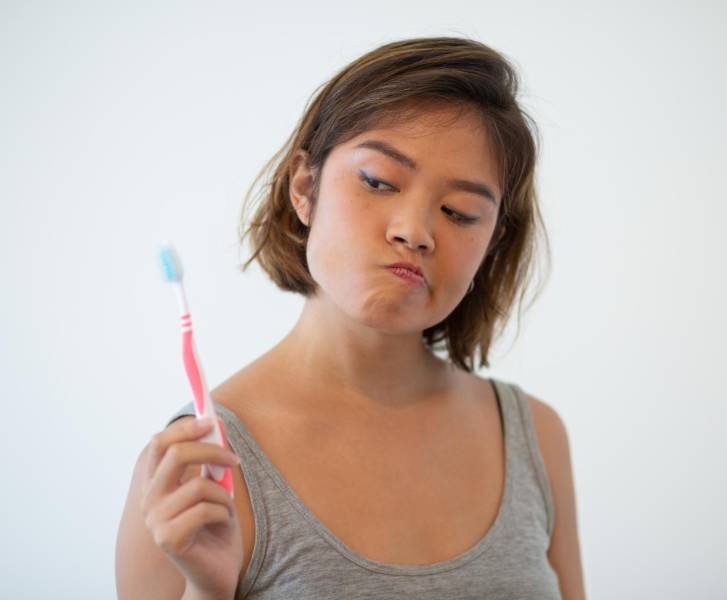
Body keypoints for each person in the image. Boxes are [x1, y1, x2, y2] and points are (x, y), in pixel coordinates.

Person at [115, 36, 585, 600]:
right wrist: (208, 591)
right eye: (379, 181)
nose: (414, 230)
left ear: (492, 242)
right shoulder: (196, 471)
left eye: (460, 212)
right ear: (304, 187)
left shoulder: (536, 438)